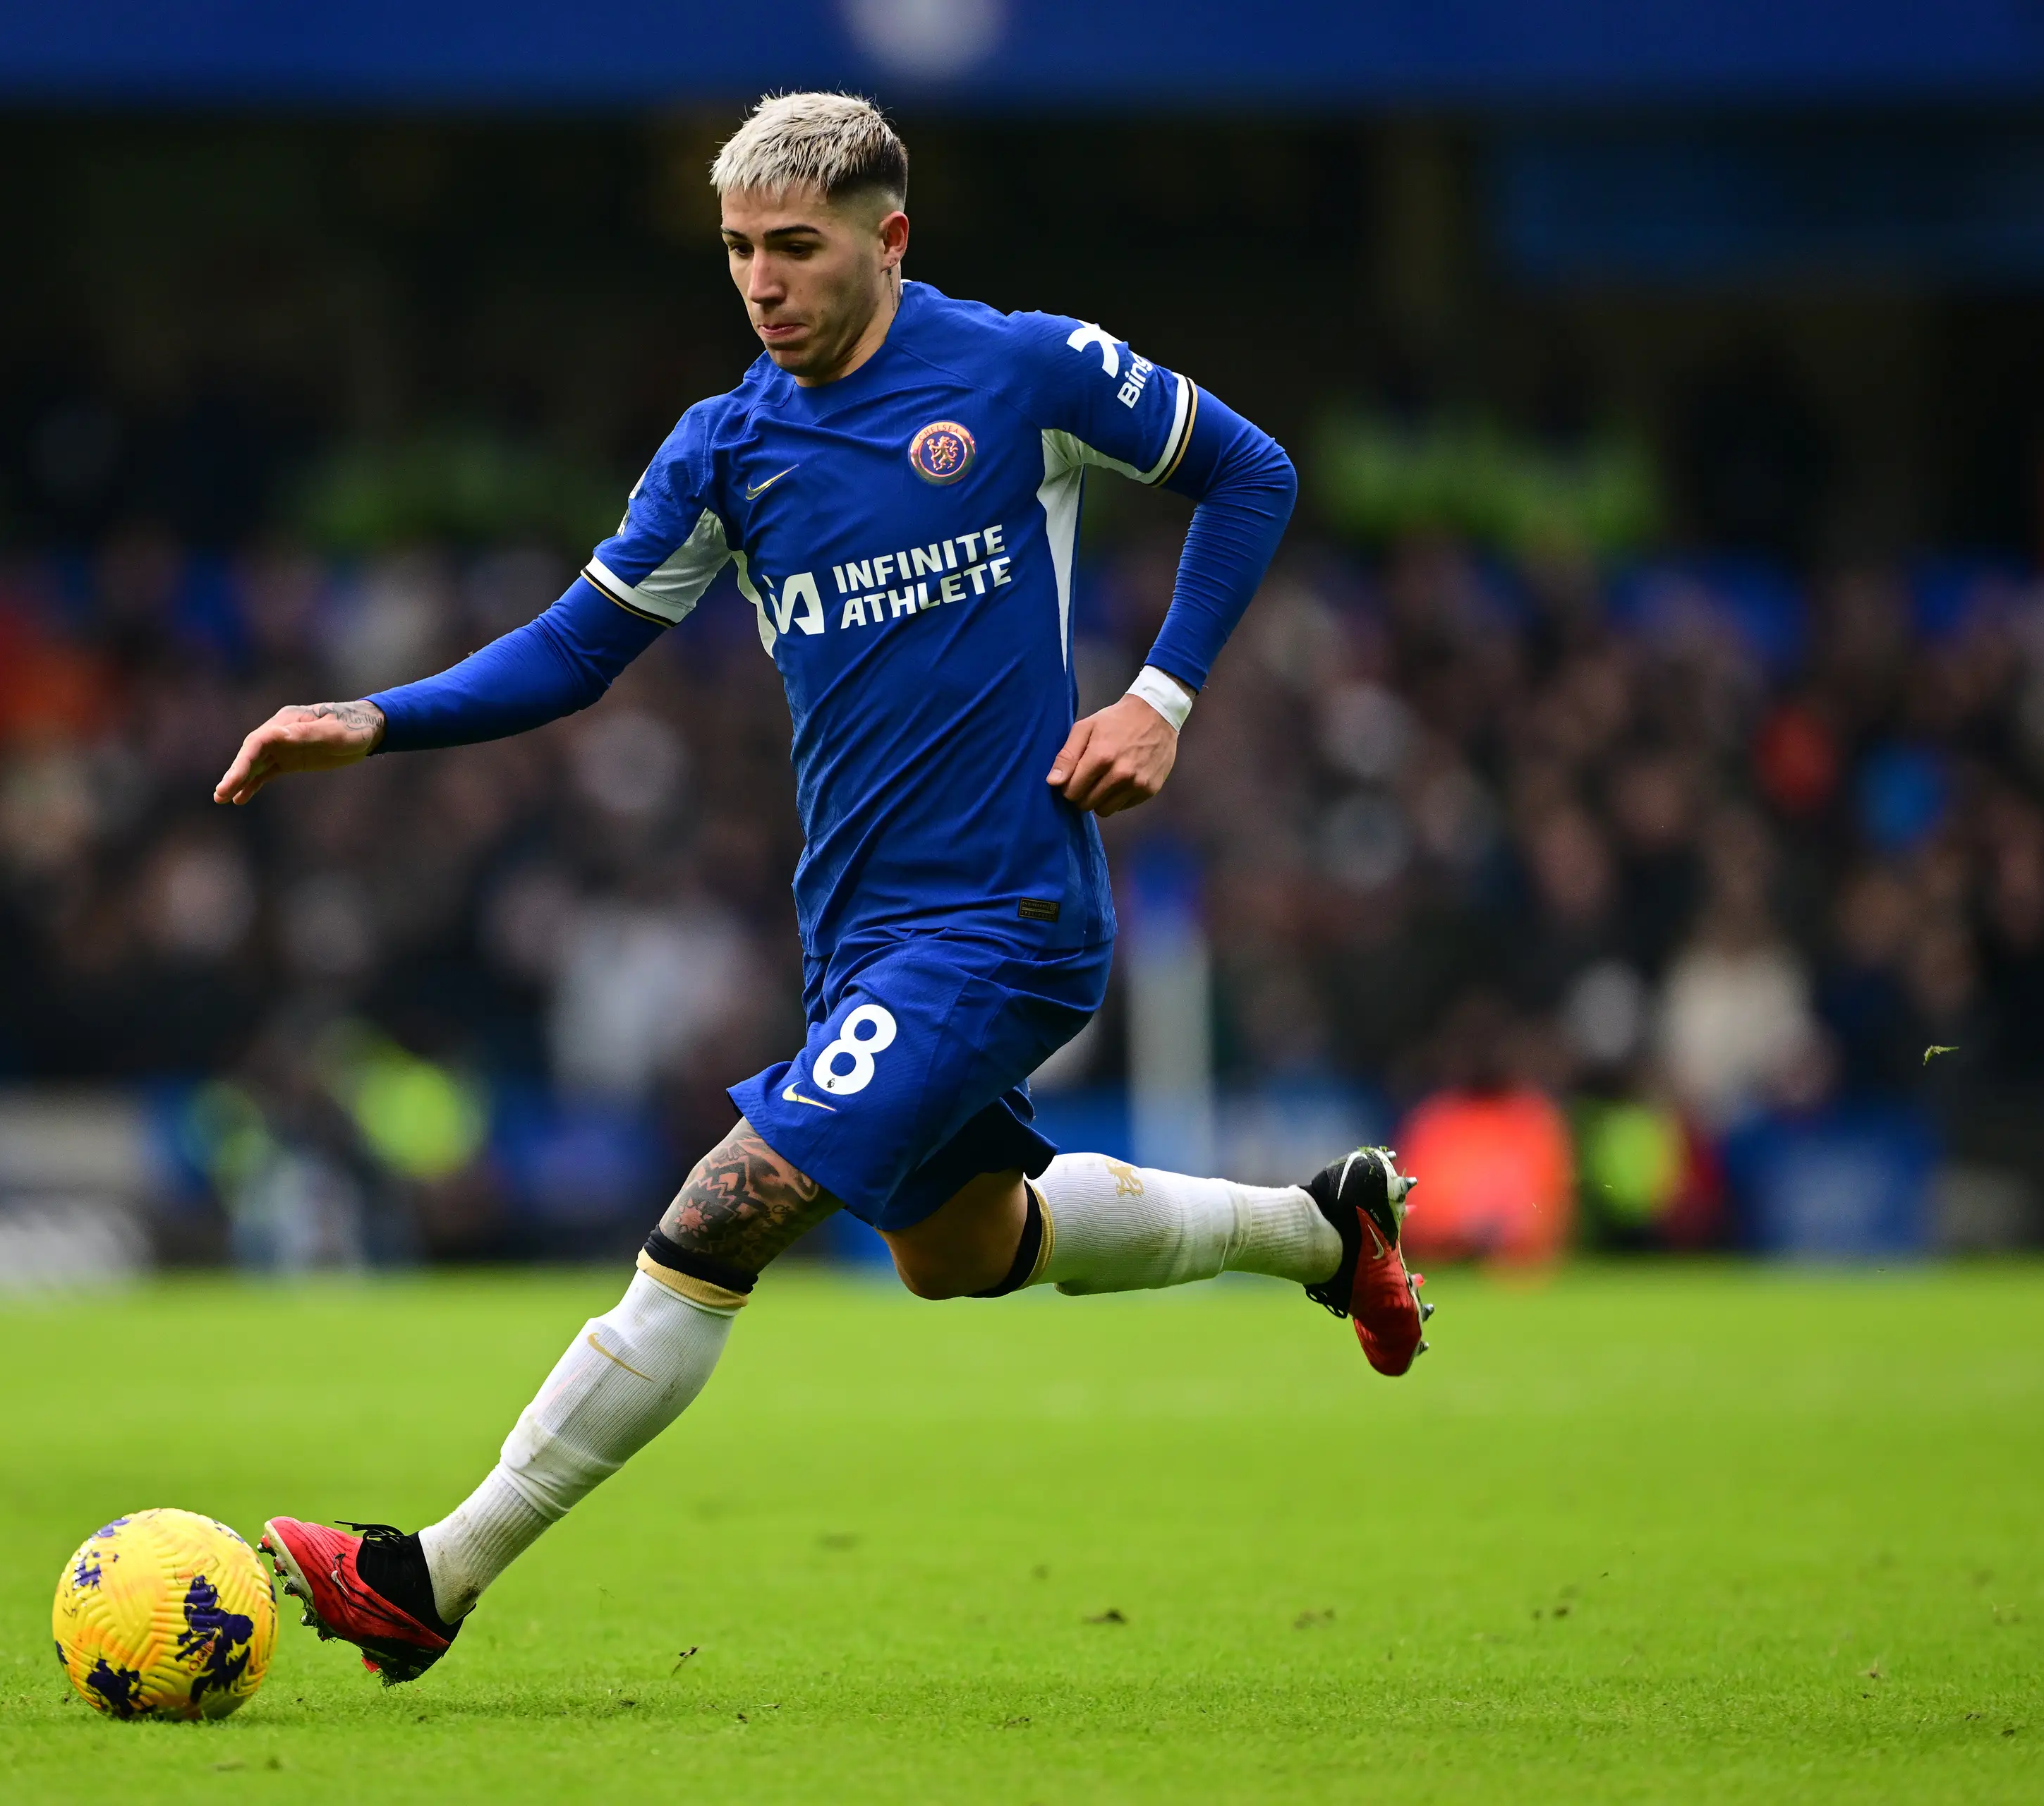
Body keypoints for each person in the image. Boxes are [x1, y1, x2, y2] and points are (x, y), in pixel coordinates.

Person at [214, 93, 1434, 1684]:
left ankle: (432, 1570)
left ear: (888, 236)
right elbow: (580, 647)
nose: (764, 283)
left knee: (726, 1206)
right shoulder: (730, 447)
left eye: (796, 246)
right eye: (738, 252)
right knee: (959, 1247)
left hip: (1007, 916)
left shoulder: (1019, 372)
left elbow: (1251, 471)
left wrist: (1163, 698)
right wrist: (373, 717)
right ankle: (1323, 1231)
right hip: (861, 932)